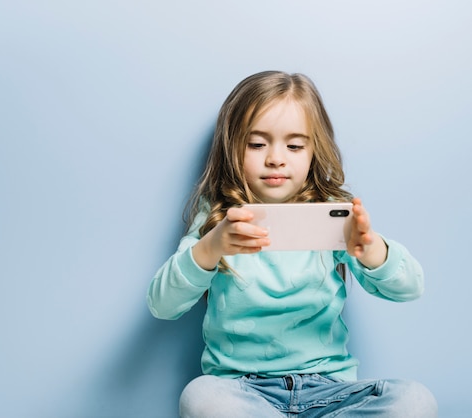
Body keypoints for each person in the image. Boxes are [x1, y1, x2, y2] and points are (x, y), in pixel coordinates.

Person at [146, 71, 438, 417]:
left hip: (330, 390)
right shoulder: (219, 220)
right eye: (257, 144)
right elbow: (162, 305)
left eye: (295, 145)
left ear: (314, 151)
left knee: (416, 400)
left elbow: (410, 287)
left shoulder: (333, 214)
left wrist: (372, 249)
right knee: (201, 396)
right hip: (244, 391)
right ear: (232, 147)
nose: (276, 159)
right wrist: (211, 248)